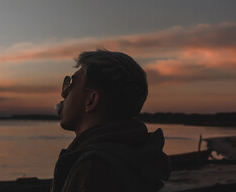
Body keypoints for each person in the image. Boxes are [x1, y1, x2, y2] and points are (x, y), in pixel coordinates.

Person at [51, 49, 171, 192]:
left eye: (72, 84)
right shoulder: (132, 156)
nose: (64, 93)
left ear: (91, 100)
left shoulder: (93, 170)